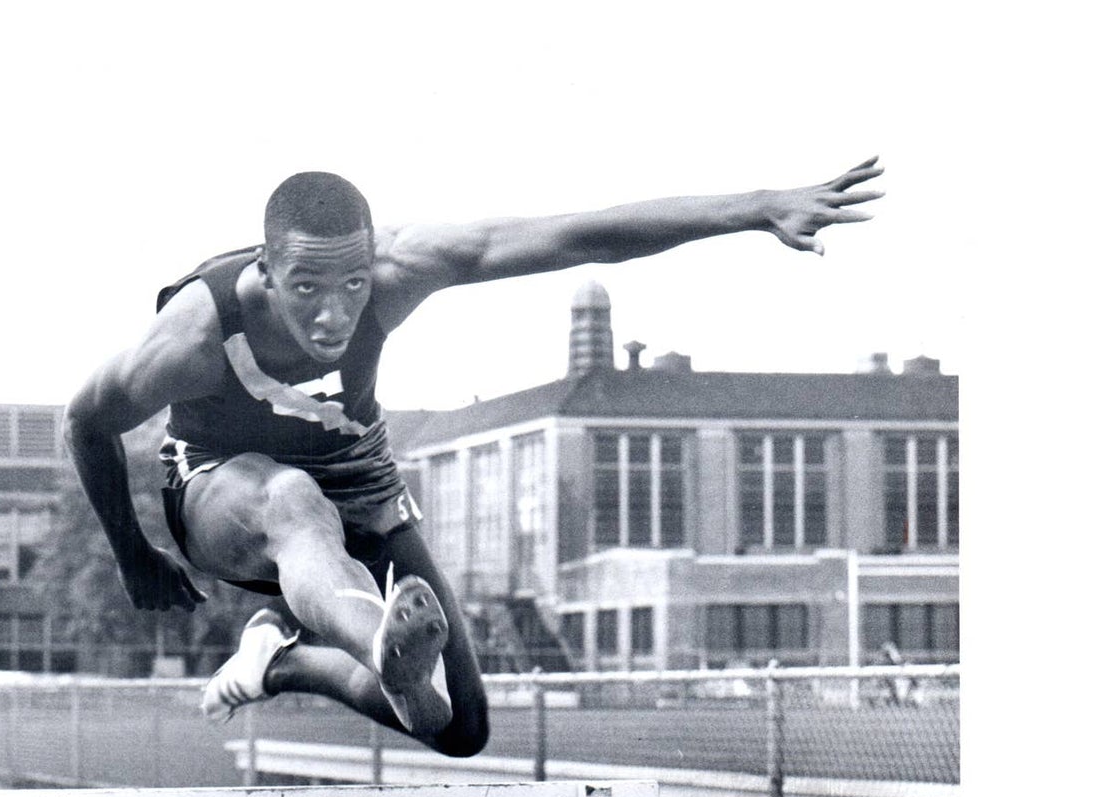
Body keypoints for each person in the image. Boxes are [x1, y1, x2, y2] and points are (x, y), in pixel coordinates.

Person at [64, 160, 883, 756]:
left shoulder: (400, 267)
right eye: (307, 288)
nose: (332, 313)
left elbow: (580, 237)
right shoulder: (194, 334)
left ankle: (284, 662)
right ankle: (375, 634)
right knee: (292, 504)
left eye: (351, 284)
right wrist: (134, 553)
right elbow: (84, 421)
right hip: (221, 494)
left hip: (364, 487)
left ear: (372, 261)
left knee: (460, 728)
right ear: (266, 272)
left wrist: (753, 208)